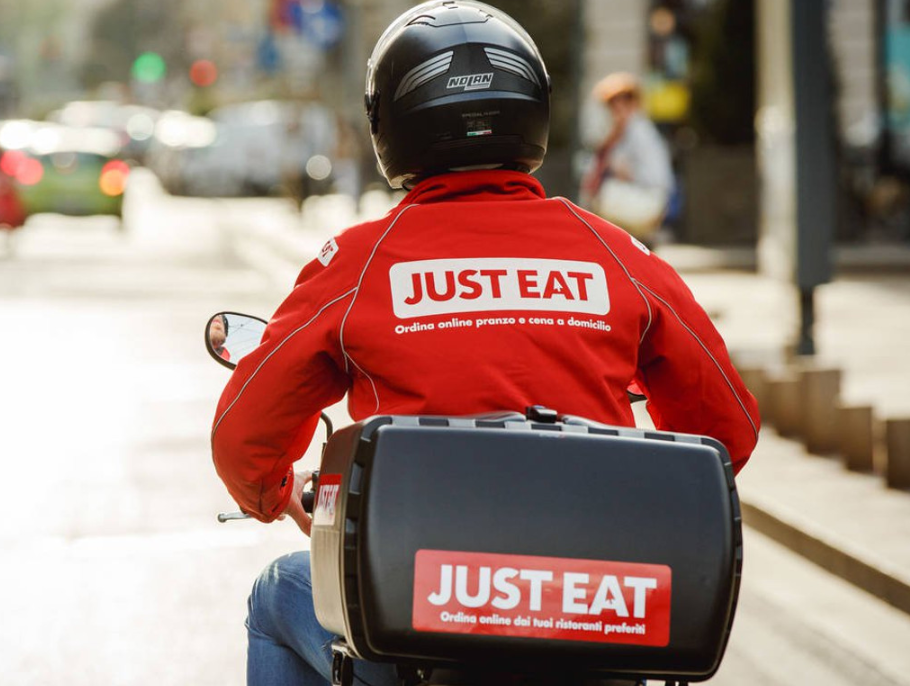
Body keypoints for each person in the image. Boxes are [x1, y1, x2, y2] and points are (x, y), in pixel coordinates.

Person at [210, 2, 759, 684]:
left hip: (422, 632)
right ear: (532, 109)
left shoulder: (357, 264)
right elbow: (726, 431)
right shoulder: (614, 254)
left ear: (390, 124)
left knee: (275, 594)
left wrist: (273, 494)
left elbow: (242, 437)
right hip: (594, 622)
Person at [579, 71, 677, 249]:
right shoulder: (614, 134)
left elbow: (659, 180)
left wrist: (627, 173)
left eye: (625, 101)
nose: (618, 108)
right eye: (613, 103)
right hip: (627, 209)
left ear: (634, 103)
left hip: (644, 203)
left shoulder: (641, 132)